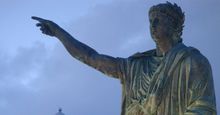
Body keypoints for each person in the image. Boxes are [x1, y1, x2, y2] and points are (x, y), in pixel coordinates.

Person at [32, 2, 216, 115]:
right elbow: (91, 57)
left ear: (174, 26)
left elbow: (203, 108)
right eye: (151, 20)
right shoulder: (134, 66)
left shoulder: (193, 62)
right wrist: (59, 33)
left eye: (158, 20)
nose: (153, 25)